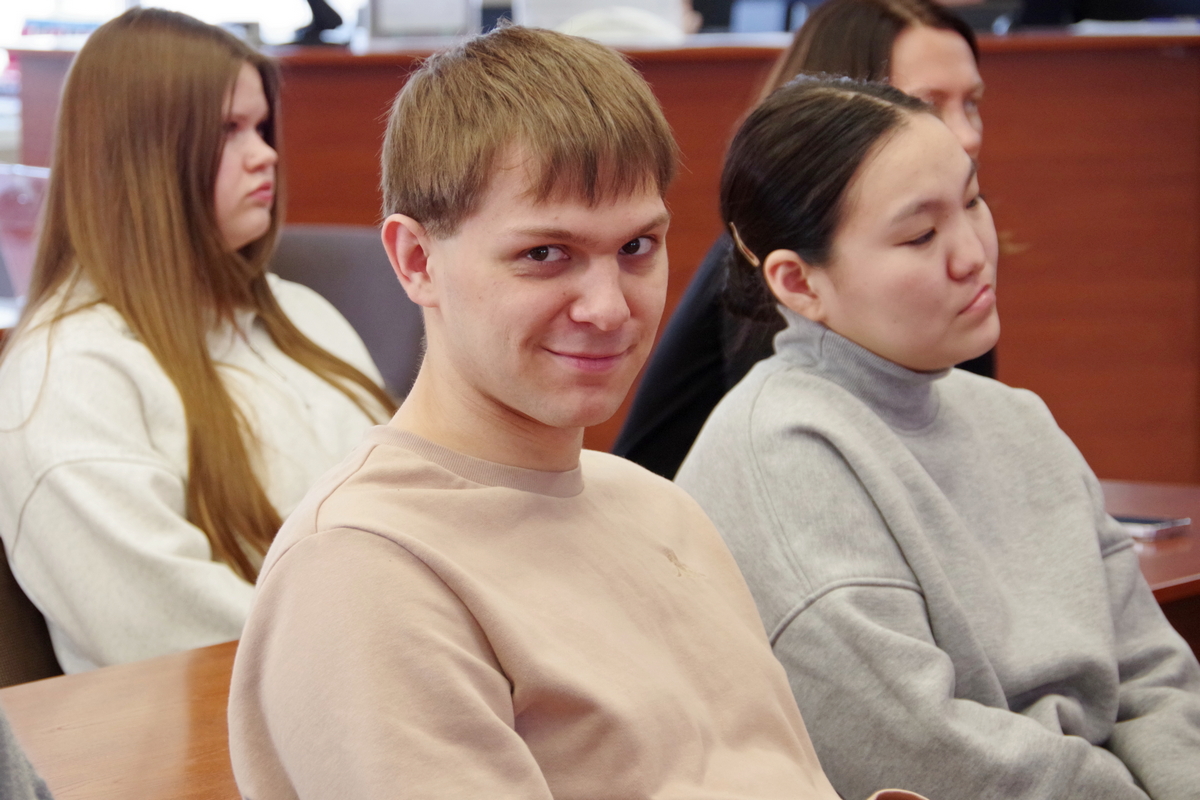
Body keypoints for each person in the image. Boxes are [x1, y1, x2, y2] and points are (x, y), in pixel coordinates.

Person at [227, 25, 924, 800]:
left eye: (636, 248)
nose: (609, 308)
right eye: (544, 255)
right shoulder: (362, 572)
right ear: (417, 261)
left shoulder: (659, 507)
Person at [675, 76, 1200, 800]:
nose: (973, 253)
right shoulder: (781, 453)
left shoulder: (1015, 417)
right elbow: (923, 752)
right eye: (920, 235)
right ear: (798, 283)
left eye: (974, 201)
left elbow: (1155, 674)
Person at [0, 8, 395, 674]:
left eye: (261, 127)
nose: (266, 154)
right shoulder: (68, 374)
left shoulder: (300, 313)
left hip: (387, 673)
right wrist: (407, 650)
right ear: (139, 155)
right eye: (228, 130)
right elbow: (170, 630)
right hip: (235, 721)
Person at [614, 0, 987, 478]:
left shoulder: (961, 246)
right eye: (928, 105)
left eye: (971, 103)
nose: (966, 135)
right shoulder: (778, 269)